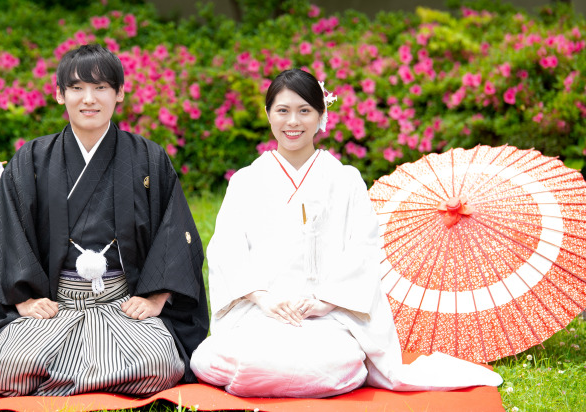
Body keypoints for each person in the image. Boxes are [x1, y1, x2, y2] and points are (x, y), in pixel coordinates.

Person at [189, 68, 502, 397]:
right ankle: (269, 371)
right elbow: (227, 249)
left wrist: (325, 302)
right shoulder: (246, 181)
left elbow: (363, 249)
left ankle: (261, 376)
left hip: (327, 317)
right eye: (282, 111)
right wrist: (264, 299)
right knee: (207, 358)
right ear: (268, 115)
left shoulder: (346, 179)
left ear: (321, 115)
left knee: (326, 361)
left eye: (304, 111)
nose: (292, 122)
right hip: (262, 311)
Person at [0, 43, 209, 397]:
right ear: (59, 94)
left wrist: (156, 298)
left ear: (120, 93)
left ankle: (62, 380)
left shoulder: (148, 158)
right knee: (11, 365)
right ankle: (107, 378)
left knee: (161, 363)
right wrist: (24, 301)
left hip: (123, 304)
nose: (89, 99)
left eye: (101, 88)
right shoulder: (32, 160)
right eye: (77, 88)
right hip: (56, 306)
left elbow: (174, 231)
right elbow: (9, 233)